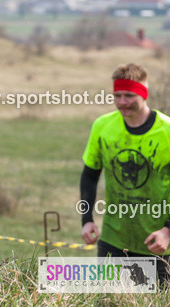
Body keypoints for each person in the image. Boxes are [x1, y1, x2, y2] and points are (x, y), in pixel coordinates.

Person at [81, 63, 170, 284]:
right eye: (117, 95)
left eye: (129, 95)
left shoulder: (167, 131)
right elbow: (90, 176)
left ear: (144, 94)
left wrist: (168, 231)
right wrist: (87, 219)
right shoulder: (103, 126)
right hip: (114, 240)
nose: (122, 102)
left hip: (159, 244)